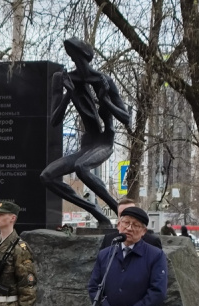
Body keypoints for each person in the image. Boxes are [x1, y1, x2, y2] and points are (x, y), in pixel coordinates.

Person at [40, 38, 131, 227]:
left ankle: (117, 210)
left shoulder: (103, 81)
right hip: (86, 145)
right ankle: (96, 212)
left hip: (104, 142)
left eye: (78, 55)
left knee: (82, 168)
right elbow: (55, 121)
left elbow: (126, 118)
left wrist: (105, 100)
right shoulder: (63, 79)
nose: (76, 60)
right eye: (73, 56)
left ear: (85, 56)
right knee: (47, 176)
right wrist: (68, 94)